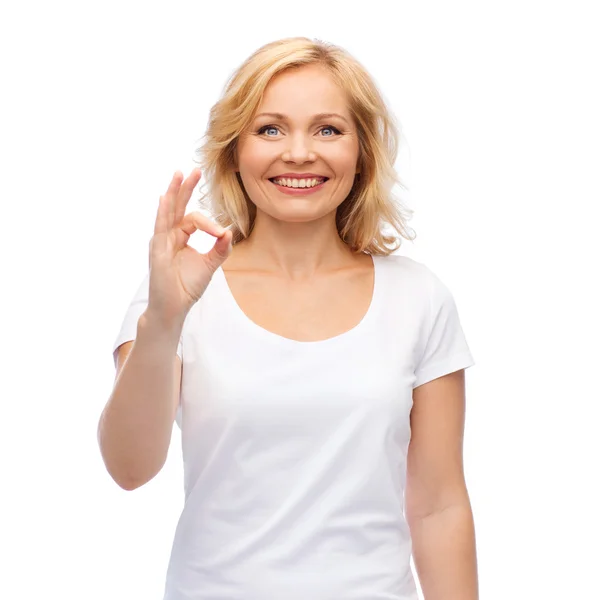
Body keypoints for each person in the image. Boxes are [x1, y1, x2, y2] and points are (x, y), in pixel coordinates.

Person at [98, 37, 478, 600]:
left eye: (328, 129)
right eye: (270, 129)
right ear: (234, 152)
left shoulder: (418, 298)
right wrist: (164, 321)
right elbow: (129, 469)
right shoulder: (175, 295)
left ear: (361, 152)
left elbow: (439, 507)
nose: (299, 153)